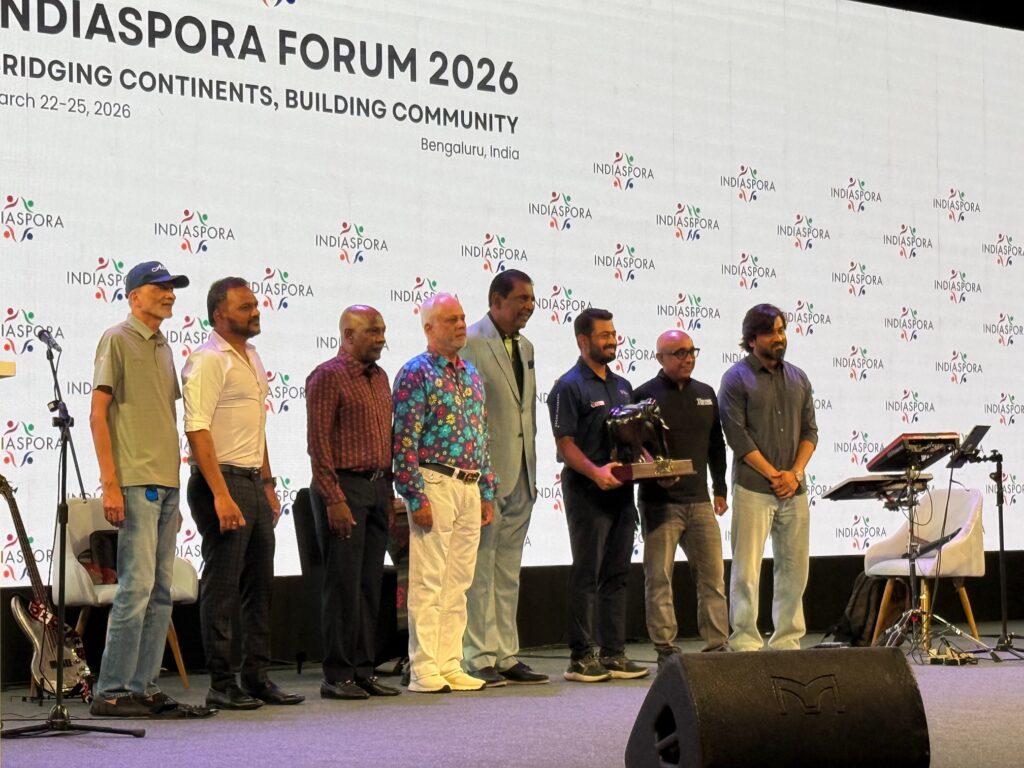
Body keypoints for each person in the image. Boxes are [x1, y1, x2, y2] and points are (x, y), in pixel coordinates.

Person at [88, 261, 210, 717]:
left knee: (160, 591)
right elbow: (98, 414)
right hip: (136, 482)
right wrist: (110, 484)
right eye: (159, 287)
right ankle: (112, 691)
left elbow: (161, 415)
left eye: (171, 288)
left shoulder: (164, 346)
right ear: (135, 295)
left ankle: (144, 686)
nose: (169, 294)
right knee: (136, 589)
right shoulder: (117, 338)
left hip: (166, 483)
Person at [183, 277, 304, 709]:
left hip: (251, 480)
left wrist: (268, 484)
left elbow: (257, 428)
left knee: (260, 586)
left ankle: (256, 677)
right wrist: (220, 494)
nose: (255, 311)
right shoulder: (207, 360)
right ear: (219, 315)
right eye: (245, 307)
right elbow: (197, 429)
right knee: (222, 587)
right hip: (220, 481)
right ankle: (221, 682)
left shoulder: (251, 356)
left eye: (255, 305)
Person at [392, 293, 496, 694]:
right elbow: (405, 439)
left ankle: (450, 661)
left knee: (459, 582)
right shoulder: (415, 372)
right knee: (429, 580)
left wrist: (486, 489)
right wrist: (414, 495)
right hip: (434, 481)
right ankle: (423, 667)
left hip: (469, 484)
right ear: (429, 328)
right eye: (451, 319)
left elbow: (481, 435)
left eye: (462, 318)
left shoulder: (471, 374)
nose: (460, 324)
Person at [548, 308, 648, 682]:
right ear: (583, 340)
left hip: (622, 492)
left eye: (613, 334)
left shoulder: (623, 386)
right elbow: (565, 445)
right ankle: (581, 657)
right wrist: (595, 472)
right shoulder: (568, 386)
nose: (612, 341)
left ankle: (613, 653)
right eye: (604, 335)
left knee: (617, 573)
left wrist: (652, 464)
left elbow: (635, 439)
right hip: (587, 490)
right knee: (587, 572)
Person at [306, 305, 400, 700]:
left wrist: (389, 494)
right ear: (348, 335)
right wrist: (334, 499)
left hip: (376, 488)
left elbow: (386, 441)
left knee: (368, 586)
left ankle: (363, 670)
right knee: (343, 586)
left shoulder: (380, 377)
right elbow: (318, 445)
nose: (381, 339)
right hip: (344, 489)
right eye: (373, 332)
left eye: (382, 331)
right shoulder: (327, 376)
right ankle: (338, 674)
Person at [462, 270, 549, 686]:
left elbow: (524, 412)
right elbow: (468, 414)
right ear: (496, 300)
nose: (529, 306)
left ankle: (505, 653)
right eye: (521, 299)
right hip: (485, 475)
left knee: (508, 570)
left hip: (522, 473)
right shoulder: (471, 342)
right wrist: (478, 475)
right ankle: (477, 655)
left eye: (531, 299)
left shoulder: (526, 346)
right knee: (480, 570)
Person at [718, 303, 817, 651]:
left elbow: (810, 432)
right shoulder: (735, 379)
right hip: (754, 489)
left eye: (781, 330)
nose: (779, 337)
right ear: (751, 339)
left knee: (794, 570)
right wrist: (776, 475)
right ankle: (745, 641)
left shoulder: (799, 378)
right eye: (771, 332)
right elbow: (737, 436)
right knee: (746, 571)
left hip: (794, 490)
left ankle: (787, 640)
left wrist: (795, 474)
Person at [633, 330, 729, 666]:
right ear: (660, 358)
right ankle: (665, 649)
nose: (687, 358)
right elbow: (635, 448)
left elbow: (716, 444)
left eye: (691, 351)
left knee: (712, 579)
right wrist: (654, 473)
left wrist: (720, 488)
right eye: (678, 353)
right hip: (659, 504)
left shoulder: (706, 393)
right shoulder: (644, 395)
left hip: (700, 501)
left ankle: (717, 646)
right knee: (659, 578)